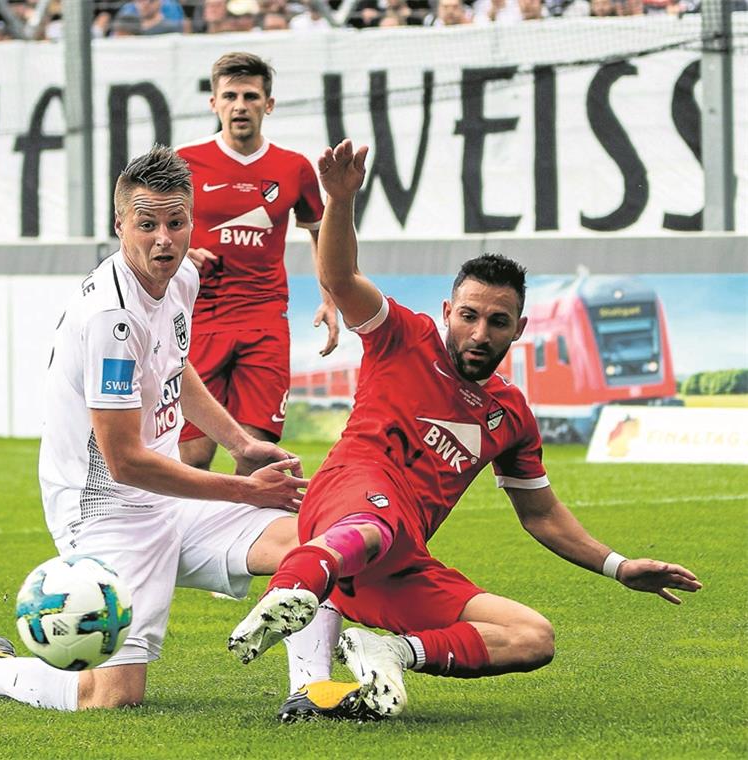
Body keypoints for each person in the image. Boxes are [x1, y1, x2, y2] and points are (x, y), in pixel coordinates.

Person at [227, 139, 702, 720]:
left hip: (396, 564)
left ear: (518, 328)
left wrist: (619, 565)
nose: (480, 332)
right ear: (449, 311)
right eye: (470, 316)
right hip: (349, 500)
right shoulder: (402, 336)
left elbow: (542, 514)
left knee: (532, 636)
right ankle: (289, 593)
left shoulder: (511, 417)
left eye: (497, 322)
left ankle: (390, 652)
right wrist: (339, 199)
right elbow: (342, 276)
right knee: (376, 520)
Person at [0, 146, 341, 715]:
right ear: (119, 225)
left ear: (191, 222)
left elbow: (174, 365)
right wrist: (244, 489)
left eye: (176, 223)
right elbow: (125, 462)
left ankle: (311, 692)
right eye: (147, 224)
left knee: (315, 544)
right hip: (105, 511)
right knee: (109, 699)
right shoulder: (112, 319)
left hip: (168, 501)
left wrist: (240, 444)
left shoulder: (181, 276)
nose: (164, 239)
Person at [176, 52, 338, 472]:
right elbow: (143, 225)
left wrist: (330, 297)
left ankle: (248, 539)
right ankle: (188, 539)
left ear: (268, 104)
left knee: (257, 452)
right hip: (199, 317)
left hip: (264, 317)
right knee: (193, 456)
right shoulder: (183, 164)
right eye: (229, 95)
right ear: (214, 103)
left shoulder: (294, 168)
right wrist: (179, 252)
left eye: (250, 96)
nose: (239, 105)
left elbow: (320, 232)